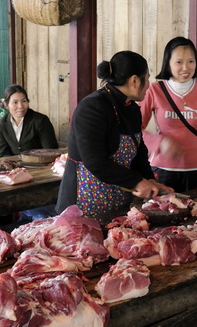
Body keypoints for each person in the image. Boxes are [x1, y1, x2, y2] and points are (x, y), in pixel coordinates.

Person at [56, 50, 172, 218]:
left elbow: (138, 150)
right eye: (146, 78)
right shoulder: (92, 108)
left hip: (117, 203)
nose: (148, 85)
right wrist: (136, 181)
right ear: (134, 80)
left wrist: (149, 179)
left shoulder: (131, 108)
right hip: (84, 203)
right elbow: (96, 162)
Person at [140, 37, 197, 192]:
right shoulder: (155, 90)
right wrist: (158, 142)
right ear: (168, 63)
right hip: (163, 171)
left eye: (191, 61)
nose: (185, 67)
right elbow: (135, 129)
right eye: (179, 62)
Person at [0, 84, 58, 157]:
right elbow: (4, 152)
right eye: (15, 102)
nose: (20, 106)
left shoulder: (40, 120)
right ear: (6, 105)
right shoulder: (2, 123)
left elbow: (50, 150)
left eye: (24, 101)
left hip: (40, 164)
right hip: (15, 166)